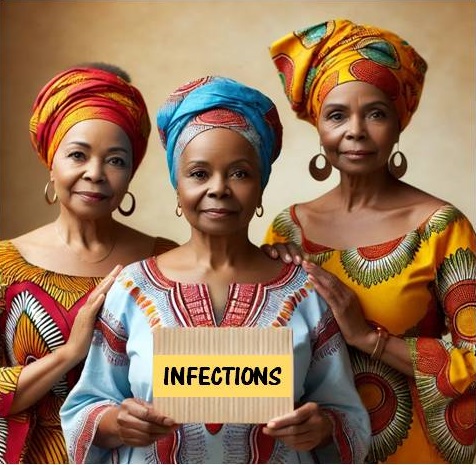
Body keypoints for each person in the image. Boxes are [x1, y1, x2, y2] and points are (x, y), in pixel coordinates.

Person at [60, 75, 371, 464]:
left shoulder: (304, 292)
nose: (219, 188)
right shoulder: (133, 288)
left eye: (240, 173)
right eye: (199, 173)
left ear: (261, 187)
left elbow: (348, 415)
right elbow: (87, 404)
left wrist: (322, 427)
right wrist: (114, 423)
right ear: (177, 185)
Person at [262, 19, 476, 463]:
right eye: (337, 115)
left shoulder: (440, 227)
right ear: (319, 127)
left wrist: (365, 337)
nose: (355, 130)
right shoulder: (288, 230)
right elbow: (267, 353)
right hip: (316, 452)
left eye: (376, 113)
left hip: (414, 453)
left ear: (399, 124)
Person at [0, 64, 177, 463]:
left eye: (115, 160)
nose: (95, 174)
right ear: (51, 159)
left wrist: (272, 260)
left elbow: (210, 373)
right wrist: (70, 352)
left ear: (132, 170)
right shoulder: (6, 264)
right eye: (78, 154)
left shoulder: (167, 260)